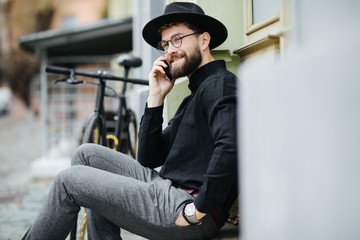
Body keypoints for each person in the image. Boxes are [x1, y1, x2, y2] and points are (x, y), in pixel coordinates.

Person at [22, 2, 238, 240]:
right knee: (86, 155)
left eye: (177, 39)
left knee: (68, 180)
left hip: (187, 206)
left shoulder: (220, 84)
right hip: (167, 190)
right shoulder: (196, 93)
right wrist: (155, 97)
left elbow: (230, 146)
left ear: (204, 40)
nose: (169, 50)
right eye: (165, 44)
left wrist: (198, 210)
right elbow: (149, 158)